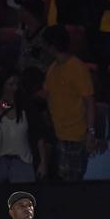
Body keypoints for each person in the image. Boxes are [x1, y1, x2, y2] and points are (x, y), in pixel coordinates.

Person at [42, 24, 96, 181]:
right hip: (57, 135)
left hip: (75, 137)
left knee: (70, 184)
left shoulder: (77, 68)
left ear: (51, 46)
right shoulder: (52, 69)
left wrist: (90, 132)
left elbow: (89, 101)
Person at [0, 69, 49, 183]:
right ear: (2, 86)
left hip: (22, 161)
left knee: (23, 197)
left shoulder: (27, 107)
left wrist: (43, 162)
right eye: (10, 84)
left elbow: (39, 135)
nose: (14, 88)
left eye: (16, 84)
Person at [14, 0, 53, 73]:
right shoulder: (25, 34)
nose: (19, 11)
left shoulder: (47, 34)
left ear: (30, 13)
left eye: (23, 9)